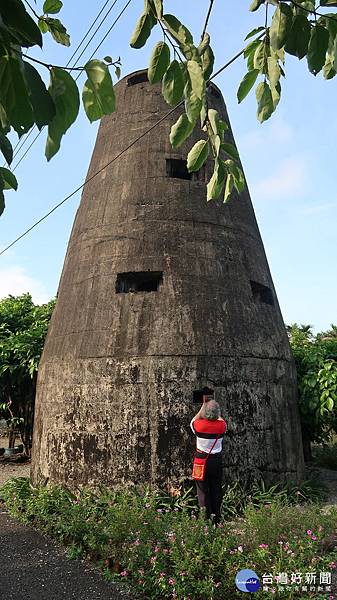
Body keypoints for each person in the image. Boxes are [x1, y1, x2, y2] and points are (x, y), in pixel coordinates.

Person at [190, 397, 227, 525]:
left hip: (201, 460)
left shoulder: (199, 426)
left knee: (202, 491)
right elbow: (220, 418)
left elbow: (193, 420)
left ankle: (206, 520)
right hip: (216, 461)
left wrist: (203, 405)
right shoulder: (222, 426)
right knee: (216, 489)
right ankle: (217, 519)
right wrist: (212, 407)